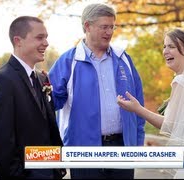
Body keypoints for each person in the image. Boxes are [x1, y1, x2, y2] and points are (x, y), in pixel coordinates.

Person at [48, 3, 145, 179]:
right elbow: (51, 103)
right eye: (104, 27)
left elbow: (139, 104)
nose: (109, 32)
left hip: (122, 148)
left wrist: (137, 144)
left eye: (112, 27)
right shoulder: (68, 61)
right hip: (84, 151)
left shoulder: (124, 58)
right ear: (87, 26)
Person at [117, 29, 184, 179]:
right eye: (164, 47)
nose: (165, 51)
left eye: (172, 47)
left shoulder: (182, 81)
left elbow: (169, 125)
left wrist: (137, 109)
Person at [0, 16, 66, 179]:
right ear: (18, 41)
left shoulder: (41, 78)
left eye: (46, 37)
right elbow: (0, 139)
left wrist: (56, 166)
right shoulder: (1, 80)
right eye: (40, 37)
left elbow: (46, 125)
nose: (46, 43)